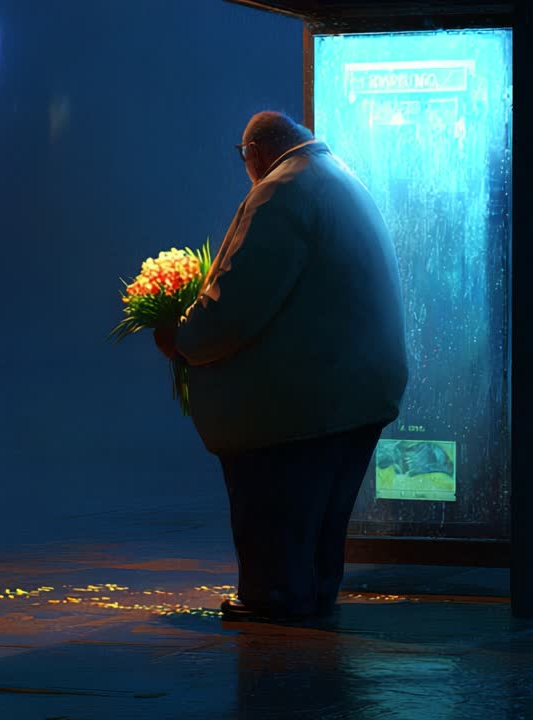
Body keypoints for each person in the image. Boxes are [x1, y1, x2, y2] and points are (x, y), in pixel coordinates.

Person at [154, 111, 409, 620]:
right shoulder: (339, 177)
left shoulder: (281, 192)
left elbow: (235, 307)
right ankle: (312, 603)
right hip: (358, 394)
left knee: (276, 518)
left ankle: (274, 610)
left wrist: (181, 337)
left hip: (302, 407)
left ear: (253, 152)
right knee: (320, 527)